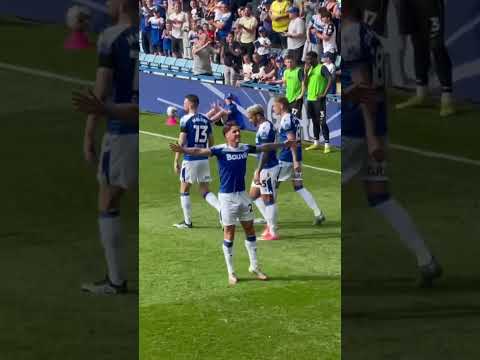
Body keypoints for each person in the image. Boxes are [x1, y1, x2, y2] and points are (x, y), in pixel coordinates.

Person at [341, 1, 442, 287]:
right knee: (380, 196)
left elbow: (362, 89)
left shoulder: (350, 36)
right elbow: (375, 86)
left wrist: (371, 134)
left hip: (355, 131)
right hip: (376, 126)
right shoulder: (372, 36)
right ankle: (426, 260)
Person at [169, 122, 295, 284]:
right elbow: (199, 150)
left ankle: (255, 267)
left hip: (243, 196)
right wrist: (183, 150)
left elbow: (264, 146)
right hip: (227, 198)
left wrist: (283, 144)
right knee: (229, 232)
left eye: (238, 132)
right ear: (227, 134)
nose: (238, 134)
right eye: (234, 132)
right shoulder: (220, 150)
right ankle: (231, 272)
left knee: (249, 230)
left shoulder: (244, 148)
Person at [81, 0, 139, 295]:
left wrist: (89, 132)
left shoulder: (111, 36)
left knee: (108, 200)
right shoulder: (150, 34)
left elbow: (100, 92)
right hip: (144, 128)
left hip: (122, 132)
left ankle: (116, 280)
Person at [395, 0, 454, 117]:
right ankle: (421, 94)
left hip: (430, 4)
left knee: (437, 45)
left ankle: (447, 99)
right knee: (418, 44)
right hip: (410, 4)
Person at [273, 96, 326, 225]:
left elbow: (291, 141)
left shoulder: (286, 120)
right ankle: (318, 213)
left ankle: (270, 218)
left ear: (281, 105)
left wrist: (295, 161)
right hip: (296, 156)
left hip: (286, 158)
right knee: (299, 186)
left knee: (272, 186)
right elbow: (298, 140)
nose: (273, 108)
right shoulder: (293, 119)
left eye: (275, 106)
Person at [173, 94, 221, 229]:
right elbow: (211, 141)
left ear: (190, 104)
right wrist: (207, 153)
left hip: (190, 159)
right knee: (204, 189)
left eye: (185, 102)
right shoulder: (206, 119)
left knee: (184, 189)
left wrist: (176, 159)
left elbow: (181, 142)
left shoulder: (185, 119)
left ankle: (188, 222)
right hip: (203, 158)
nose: (183, 105)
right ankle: (221, 209)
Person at [246, 105, 280, 241]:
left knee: (268, 198)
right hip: (263, 167)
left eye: (250, 118)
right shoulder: (263, 127)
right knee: (254, 195)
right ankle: (270, 223)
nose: (249, 120)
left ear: (258, 116)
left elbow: (266, 150)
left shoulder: (265, 128)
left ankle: (272, 231)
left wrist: (258, 170)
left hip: (267, 167)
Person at [303, 51, 333, 152]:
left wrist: (324, 93)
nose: (307, 61)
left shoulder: (322, 67)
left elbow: (330, 78)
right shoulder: (309, 69)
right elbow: (306, 84)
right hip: (310, 99)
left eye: (309, 59)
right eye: (306, 59)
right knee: (314, 121)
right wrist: (306, 73)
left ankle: (327, 145)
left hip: (319, 100)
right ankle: (316, 143)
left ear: (315, 58)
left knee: (322, 122)